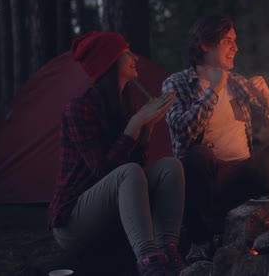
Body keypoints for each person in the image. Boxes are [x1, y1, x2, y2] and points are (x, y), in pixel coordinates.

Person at [47, 31, 186, 276]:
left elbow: (136, 168)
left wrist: (148, 127)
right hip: (74, 220)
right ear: (110, 62)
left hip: (109, 212)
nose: (135, 58)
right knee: (128, 173)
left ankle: (167, 250)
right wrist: (135, 124)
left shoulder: (125, 105)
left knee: (170, 166)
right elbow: (105, 171)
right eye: (126, 53)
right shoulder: (79, 109)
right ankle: (148, 260)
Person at [162, 16, 269, 264]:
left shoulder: (238, 83)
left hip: (243, 172)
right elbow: (183, 133)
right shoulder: (177, 83)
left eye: (235, 41)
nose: (235, 48)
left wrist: (267, 103)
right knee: (196, 156)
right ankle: (200, 242)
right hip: (208, 178)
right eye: (228, 41)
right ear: (205, 45)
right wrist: (213, 91)